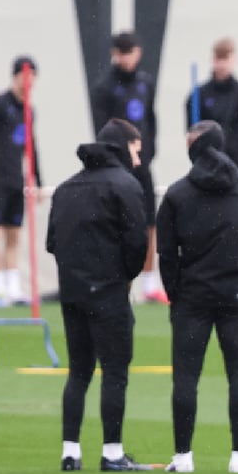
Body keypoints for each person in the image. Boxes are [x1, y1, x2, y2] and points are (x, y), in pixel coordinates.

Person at [157, 120, 238, 474]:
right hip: (237, 296)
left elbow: (166, 254)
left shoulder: (177, 195)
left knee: (185, 377)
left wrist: (176, 293)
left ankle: (182, 456)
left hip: (192, 297)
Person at [47, 118, 151, 472]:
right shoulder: (126, 185)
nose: (138, 160)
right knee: (115, 371)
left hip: (73, 293)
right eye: (136, 150)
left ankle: (70, 451)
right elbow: (137, 243)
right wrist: (122, 275)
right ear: (123, 146)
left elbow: (53, 243)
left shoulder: (65, 189)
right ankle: (112, 453)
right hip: (109, 292)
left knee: (78, 372)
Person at [91, 31, 165, 304]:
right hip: (116, 167)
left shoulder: (146, 83)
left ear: (138, 52)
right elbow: (102, 129)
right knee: (116, 223)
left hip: (141, 165)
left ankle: (149, 282)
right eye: (120, 53)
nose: (126, 59)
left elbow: (151, 120)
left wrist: (150, 152)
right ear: (114, 54)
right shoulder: (104, 87)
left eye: (129, 52)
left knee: (149, 221)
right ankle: (118, 280)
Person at [0, 57, 42, 306]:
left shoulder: (29, 110)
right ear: (15, 76)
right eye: (24, 75)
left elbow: (31, 147)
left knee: (14, 235)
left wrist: (36, 179)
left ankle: (12, 288)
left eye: (32, 76)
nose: (28, 81)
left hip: (16, 179)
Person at [184, 37, 238, 178]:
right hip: (207, 165)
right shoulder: (199, 95)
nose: (221, 64)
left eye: (226, 59)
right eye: (218, 59)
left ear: (234, 60)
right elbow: (192, 132)